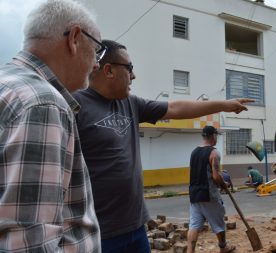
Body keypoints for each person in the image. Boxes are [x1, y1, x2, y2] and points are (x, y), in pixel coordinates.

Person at [72, 40, 252, 253]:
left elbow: (176, 108)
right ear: (109, 70)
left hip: (136, 227)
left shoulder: (130, 103)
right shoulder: (75, 106)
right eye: (129, 68)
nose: (134, 76)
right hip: (99, 234)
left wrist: (224, 105)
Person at [0, 0, 103, 251]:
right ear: (75, 38)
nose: (97, 63)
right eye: (97, 50)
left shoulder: (8, 86)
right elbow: (28, 243)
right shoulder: (43, 104)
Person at [187, 126, 236, 253]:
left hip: (194, 195)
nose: (217, 138)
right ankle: (223, 247)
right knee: (219, 224)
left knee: (194, 226)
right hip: (209, 195)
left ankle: (190, 251)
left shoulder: (194, 152)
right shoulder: (214, 153)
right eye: (216, 135)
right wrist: (223, 184)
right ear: (213, 136)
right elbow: (215, 176)